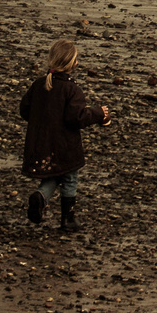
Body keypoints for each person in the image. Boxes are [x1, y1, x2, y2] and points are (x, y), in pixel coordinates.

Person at [20, 39, 110, 233]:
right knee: (69, 177)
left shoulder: (39, 85)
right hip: (65, 146)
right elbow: (76, 117)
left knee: (55, 174)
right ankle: (68, 219)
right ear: (73, 63)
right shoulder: (72, 89)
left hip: (41, 142)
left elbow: (24, 110)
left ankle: (41, 196)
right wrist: (98, 113)